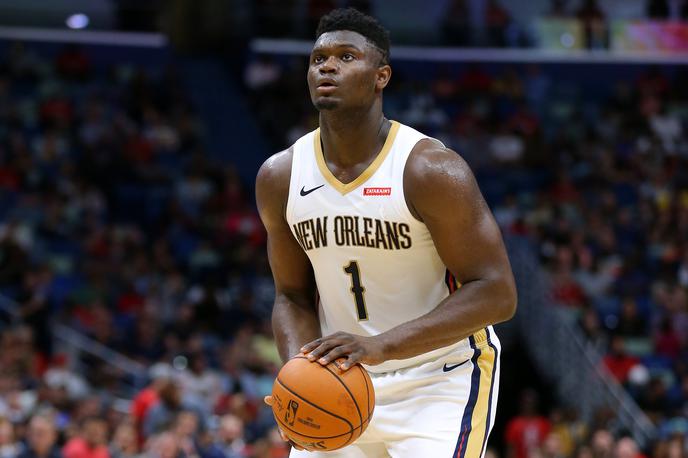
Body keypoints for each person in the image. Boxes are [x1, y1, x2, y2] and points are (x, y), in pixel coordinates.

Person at [256, 8, 517, 458]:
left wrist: (381, 346)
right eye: (318, 59)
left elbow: (497, 293)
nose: (328, 66)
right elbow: (292, 296)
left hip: (439, 379)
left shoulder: (429, 170)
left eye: (346, 56)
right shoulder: (280, 176)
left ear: (381, 76)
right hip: (343, 379)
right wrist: (300, 374)